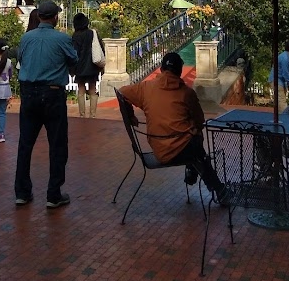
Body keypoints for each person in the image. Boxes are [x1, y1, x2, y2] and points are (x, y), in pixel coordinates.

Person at [119, 52, 230, 204]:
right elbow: (199, 121)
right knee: (197, 143)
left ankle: (196, 173)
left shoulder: (145, 88)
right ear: (179, 71)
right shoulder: (187, 93)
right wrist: (193, 127)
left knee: (194, 144)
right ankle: (219, 190)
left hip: (158, 148)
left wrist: (130, 116)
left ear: (161, 69)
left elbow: (121, 92)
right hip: (179, 151)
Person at [14, 0, 78, 209]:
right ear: (55, 17)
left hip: (28, 93)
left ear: (39, 16)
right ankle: (53, 194)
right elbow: (74, 61)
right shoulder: (62, 38)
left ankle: (22, 192)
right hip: (52, 93)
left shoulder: (26, 38)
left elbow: (21, 59)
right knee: (57, 145)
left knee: (25, 144)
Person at [71, 12, 103, 118]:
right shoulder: (92, 33)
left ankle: (82, 114)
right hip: (92, 66)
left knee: (81, 90)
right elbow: (100, 48)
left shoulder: (75, 36)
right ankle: (92, 115)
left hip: (80, 67)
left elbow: (74, 53)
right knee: (93, 89)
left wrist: (72, 69)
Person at [268, 40, 289, 115]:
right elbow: (285, 73)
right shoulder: (285, 58)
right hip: (276, 80)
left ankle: (280, 116)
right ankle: (285, 117)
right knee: (281, 100)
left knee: (280, 100)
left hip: (280, 80)